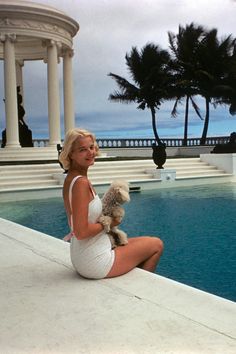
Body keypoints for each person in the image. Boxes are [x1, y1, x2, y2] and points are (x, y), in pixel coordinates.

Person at [59, 128, 163, 279]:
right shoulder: (80, 183)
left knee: (143, 245)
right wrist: (111, 223)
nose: (90, 152)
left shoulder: (72, 179)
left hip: (82, 255)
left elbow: (76, 223)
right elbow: (81, 232)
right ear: (71, 154)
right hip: (94, 261)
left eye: (91, 147)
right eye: (83, 150)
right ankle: (140, 293)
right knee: (156, 245)